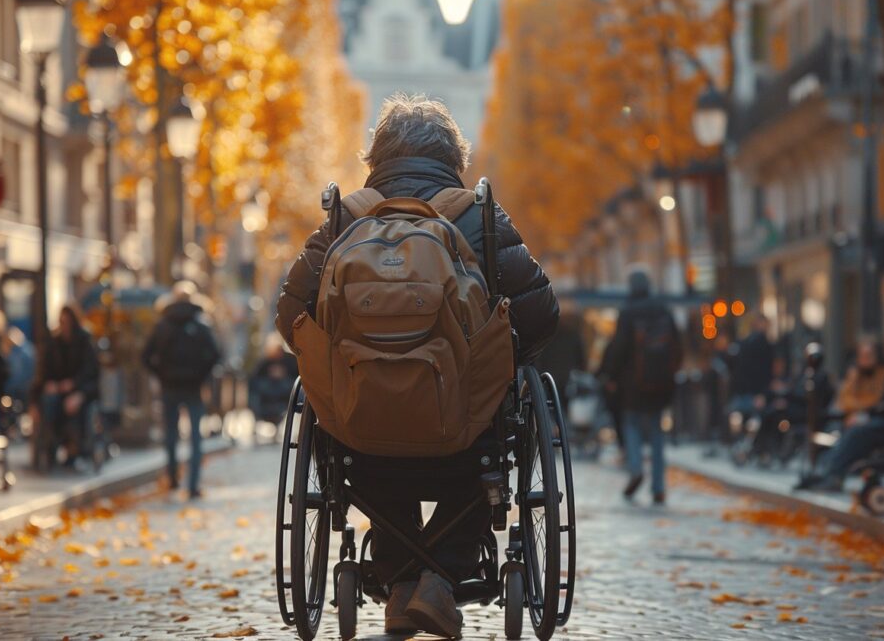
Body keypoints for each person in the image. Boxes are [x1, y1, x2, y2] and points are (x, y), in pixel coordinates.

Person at [275, 94, 558, 638]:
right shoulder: (477, 214)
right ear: (454, 158)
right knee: (483, 431)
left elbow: (291, 315)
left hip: (362, 431)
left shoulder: (344, 217)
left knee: (371, 435)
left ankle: (402, 579)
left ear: (375, 159)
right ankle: (441, 577)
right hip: (463, 432)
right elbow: (542, 314)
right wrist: (495, 362)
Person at [798, 314, 884, 491]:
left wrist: (867, 413)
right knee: (849, 430)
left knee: (858, 432)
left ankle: (833, 475)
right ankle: (829, 473)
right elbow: (846, 398)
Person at [596, 267, 682, 504]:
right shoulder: (664, 310)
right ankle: (659, 486)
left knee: (631, 424)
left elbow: (619, 348)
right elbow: (677, 346)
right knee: (656, 431)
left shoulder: (628, 313)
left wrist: (608, 375)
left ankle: (635, 469)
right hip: (661, 383)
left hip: (633, 384)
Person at [142, 282, 221, 499]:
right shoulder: (202, 324)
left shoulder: (162, 325)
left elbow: (146, 356)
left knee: (171, 435)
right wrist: (201, 375)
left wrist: (161, 374)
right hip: (194, 388)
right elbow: (215, 354)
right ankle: (193, 485)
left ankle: (173, 479)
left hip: (169, 387)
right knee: (196, 438)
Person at [37, 306, 100, 468]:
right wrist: (49, 386)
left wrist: (77, 389)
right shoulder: (54, 343)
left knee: (75, 411)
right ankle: (51, 443)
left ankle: (76, 447)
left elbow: (91, 374)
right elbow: (44, 373)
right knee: (49, 404)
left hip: (81, 393)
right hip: (58, 393)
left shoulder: (85, 342)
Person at [833, 338, 884, 426]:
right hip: (852, 420)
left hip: (875, 418)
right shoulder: (854, 374)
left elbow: (879, 400)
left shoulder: (883, 374)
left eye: (868, 355)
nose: (865, 360)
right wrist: (859, 407)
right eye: (862, 356)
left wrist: (859, 405)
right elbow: (843, 400)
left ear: (876, 356)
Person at [247, 333, 298, 429]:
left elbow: (296, 378)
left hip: (284, 393)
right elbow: (254, 378)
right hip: (267, 394)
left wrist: (283, 375)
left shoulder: (290, 360)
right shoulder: (265, 362)